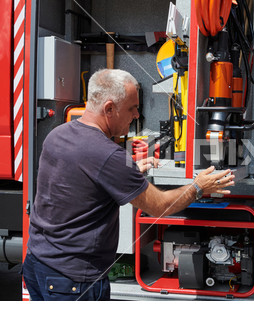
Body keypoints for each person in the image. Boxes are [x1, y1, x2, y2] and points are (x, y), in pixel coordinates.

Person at [22, 68, 234, 301]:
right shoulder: (109, 156)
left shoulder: (57, 134)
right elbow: (159, 206)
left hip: (37, 264)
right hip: (73, 280)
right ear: (109, 108)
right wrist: (199, 187)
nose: (136, 115)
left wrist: (126, 171)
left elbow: (81, 177)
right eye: (132, 108)